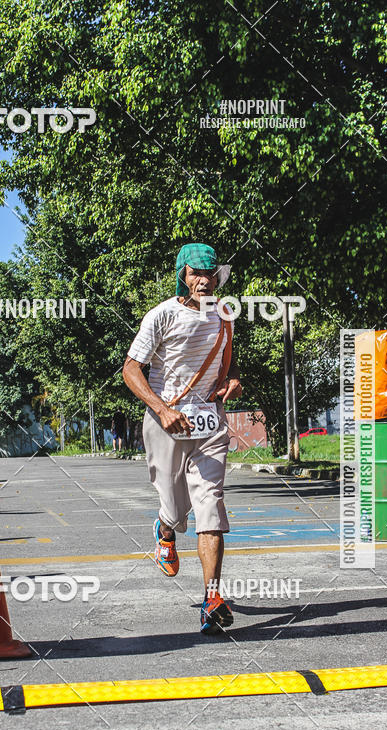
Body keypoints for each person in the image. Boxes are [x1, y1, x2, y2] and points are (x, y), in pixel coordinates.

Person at [123, 242, 243, 634]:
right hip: (166, 423)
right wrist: (161, 409)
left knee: (211, 506)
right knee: (175, 509)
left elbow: (228, 362)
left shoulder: (225, 314)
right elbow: (130, 369)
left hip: (209, 424)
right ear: (183, 275)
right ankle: (165, 528)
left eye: (210, 274)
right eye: (196, 274)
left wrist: (233, 382)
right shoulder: (162, 315)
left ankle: (212, 599)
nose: (204, 281)